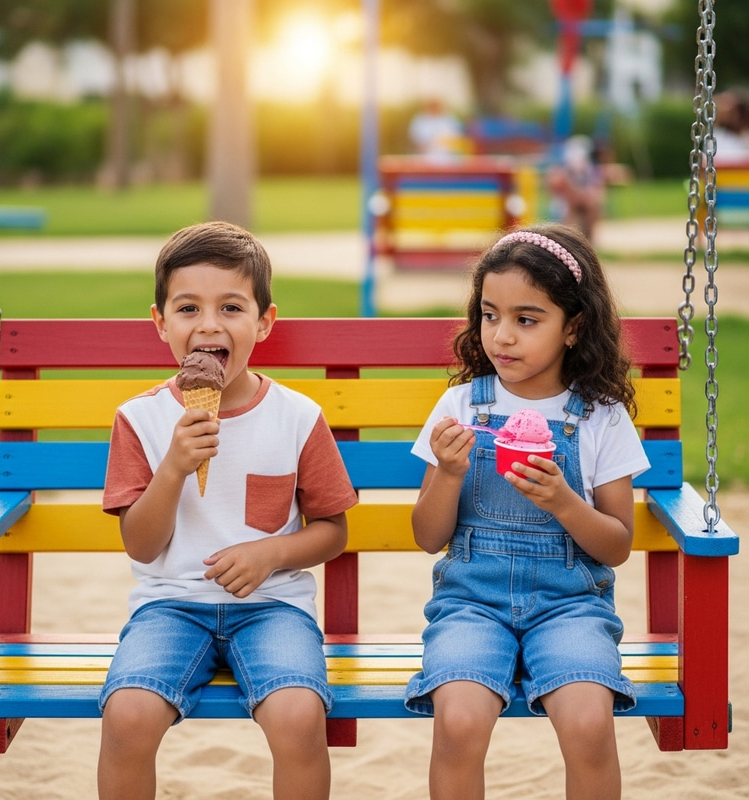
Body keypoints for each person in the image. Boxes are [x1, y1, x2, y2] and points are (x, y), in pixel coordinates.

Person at [97, 221, 357, 800]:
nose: (209, 324)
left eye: (231, 307)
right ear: (160, 322)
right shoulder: (140, 420)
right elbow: (140, 546)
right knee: (127, 716)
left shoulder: (296, 417)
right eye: (188, 308)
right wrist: (172, 470)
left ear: (264, 322)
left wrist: (273, 551)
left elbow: (333, 531)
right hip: (170, 606)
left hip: (273, 608)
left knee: (297, 716)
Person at [404, 224, 650, 800]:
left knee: (589, 723)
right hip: (470, 603)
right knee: (459, 721)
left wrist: (564, 500)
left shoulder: (600, 416)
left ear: (574, 328)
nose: (502, 336)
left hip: (570, 606)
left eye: (526, 319)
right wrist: (448, 473)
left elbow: (616, 545)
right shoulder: (463, 405)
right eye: (490, 315)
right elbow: (426, 534)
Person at [546, 135, 606, 243]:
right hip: (565, 205)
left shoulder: (589, 171)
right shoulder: (561, 171)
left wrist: (587, 197)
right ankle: (569, 240)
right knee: (572, 208)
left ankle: (590, 240)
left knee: (593, 206)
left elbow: (596, 190)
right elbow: (559, 188)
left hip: (582, 202)